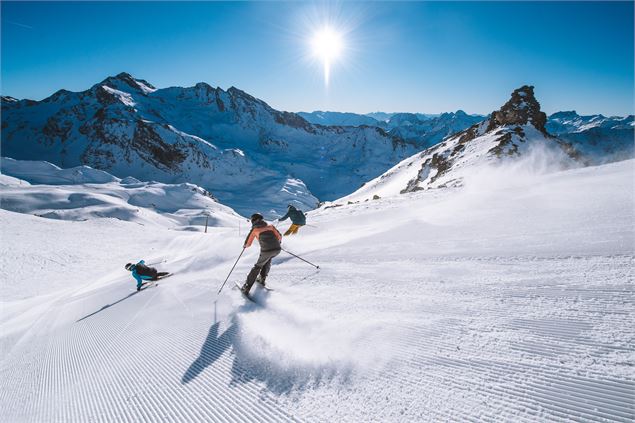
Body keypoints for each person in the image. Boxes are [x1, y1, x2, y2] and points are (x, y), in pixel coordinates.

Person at [240, 213, 282, 295]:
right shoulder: (270, 226)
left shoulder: (254, 230)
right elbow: (279, 237)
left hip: (266, 251)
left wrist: (245, 246)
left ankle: (247, 287)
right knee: (267, 259)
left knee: (257, 266)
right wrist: (276, 243)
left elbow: (248, 244)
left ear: (253, 221)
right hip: (277, 249)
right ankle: (262, 278)